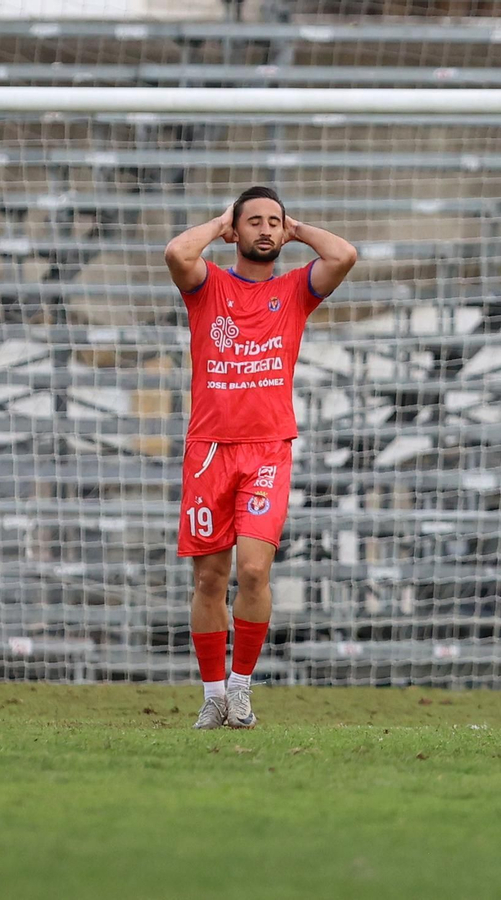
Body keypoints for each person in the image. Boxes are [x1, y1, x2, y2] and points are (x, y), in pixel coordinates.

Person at [165, 186, 358, 730]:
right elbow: (178, 253)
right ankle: (212, 695)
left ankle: (242, 688)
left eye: (274, 222)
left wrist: (298, 228)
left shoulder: (296, 290)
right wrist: (219, 219)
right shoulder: (208, 286)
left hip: (268, 449)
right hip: (209, 451)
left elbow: (343, 255)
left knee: (253, 569)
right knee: (209, 579)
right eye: (255, 221)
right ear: (236, 229)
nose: (267, 230)